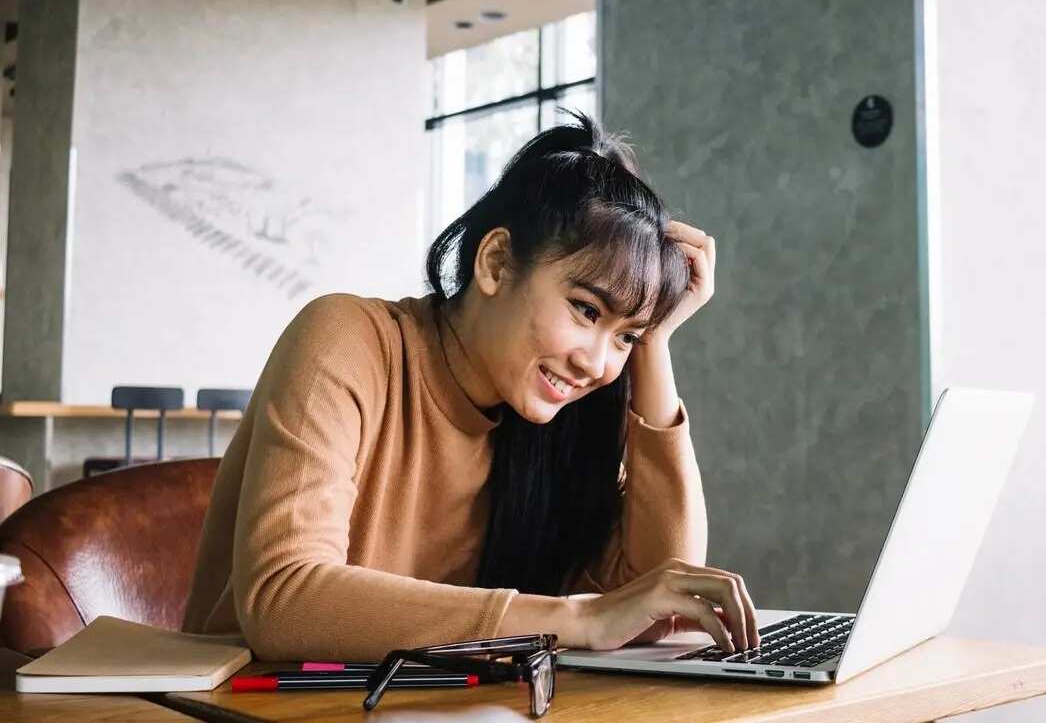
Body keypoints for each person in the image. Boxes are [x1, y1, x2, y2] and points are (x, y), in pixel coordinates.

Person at [182, 113, 760, 662]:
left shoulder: (549, 426)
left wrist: (653, 341)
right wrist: (573, 619)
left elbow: (666, 593)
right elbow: (285, 599)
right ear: (496, 262)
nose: (597, 364)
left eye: (623, 337)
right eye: (586, 310)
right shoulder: (346, 341)